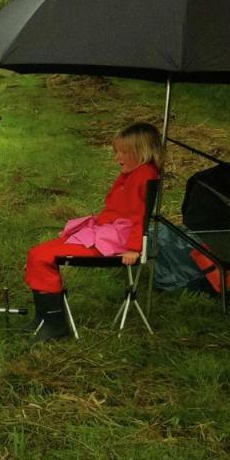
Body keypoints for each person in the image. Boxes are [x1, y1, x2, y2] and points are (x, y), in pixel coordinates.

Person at [25, 122, 162, 341]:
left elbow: (140, 216)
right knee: (37, 252)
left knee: (42, 256)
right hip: (105, 232)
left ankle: (55, 324)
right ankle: (44, 317)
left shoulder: (145, 175)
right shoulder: (131, 174)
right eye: (116, 151)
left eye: (123, 152)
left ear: (142, 152)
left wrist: (134, 248)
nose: (118, 158)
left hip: (116, 241)